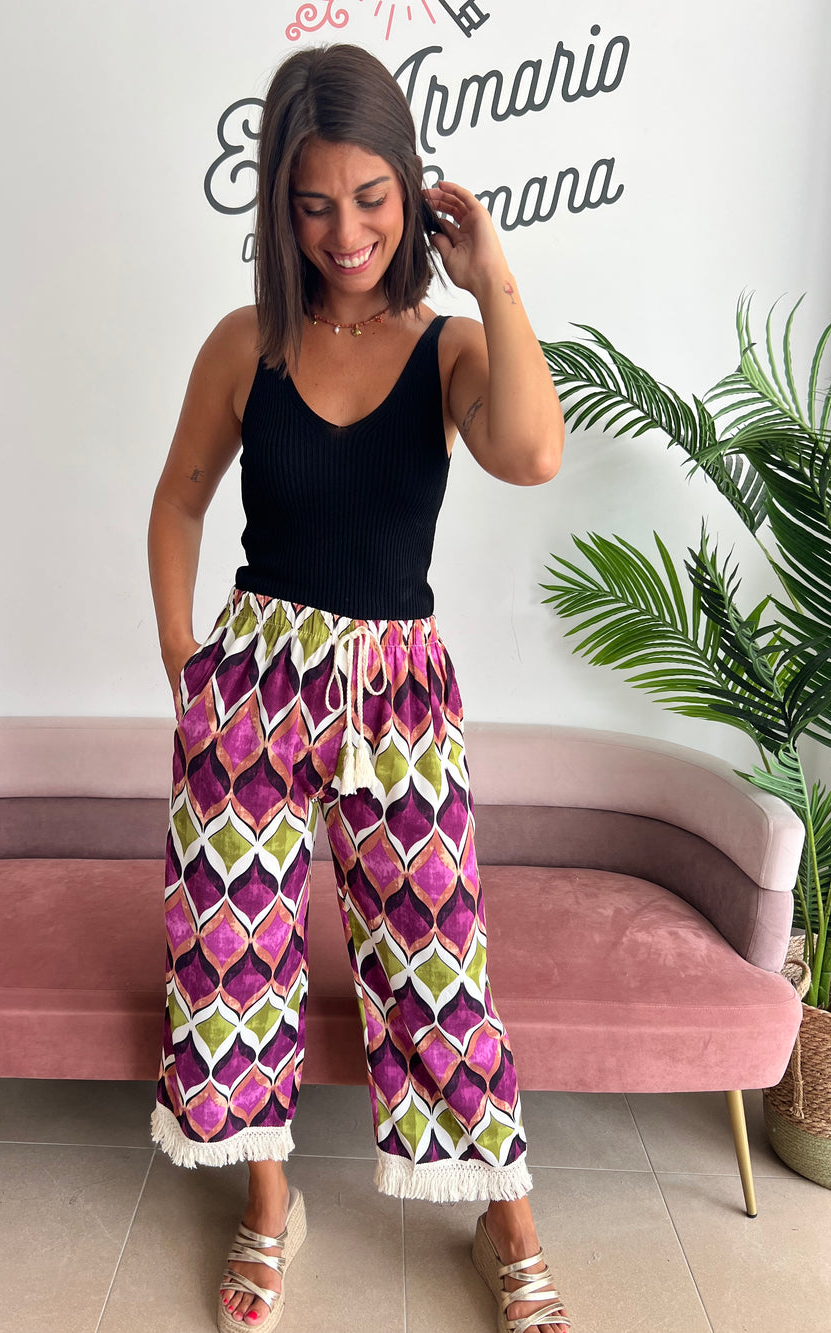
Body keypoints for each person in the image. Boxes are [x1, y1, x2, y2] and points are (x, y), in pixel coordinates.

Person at [147, 42, 568, 1333]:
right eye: (315, 203)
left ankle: (507, 1223)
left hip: (398, 696)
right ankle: (271, 1205)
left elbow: (533, 455)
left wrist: (493, 277)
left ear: (411, 188)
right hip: (252, 691)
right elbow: (178, 503)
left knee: (438, 960)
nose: (346, 232)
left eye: (373, 198)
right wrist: (188, 669)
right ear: (280, 205)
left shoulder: (447, 350)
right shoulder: (245, 346)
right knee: (234, 960)